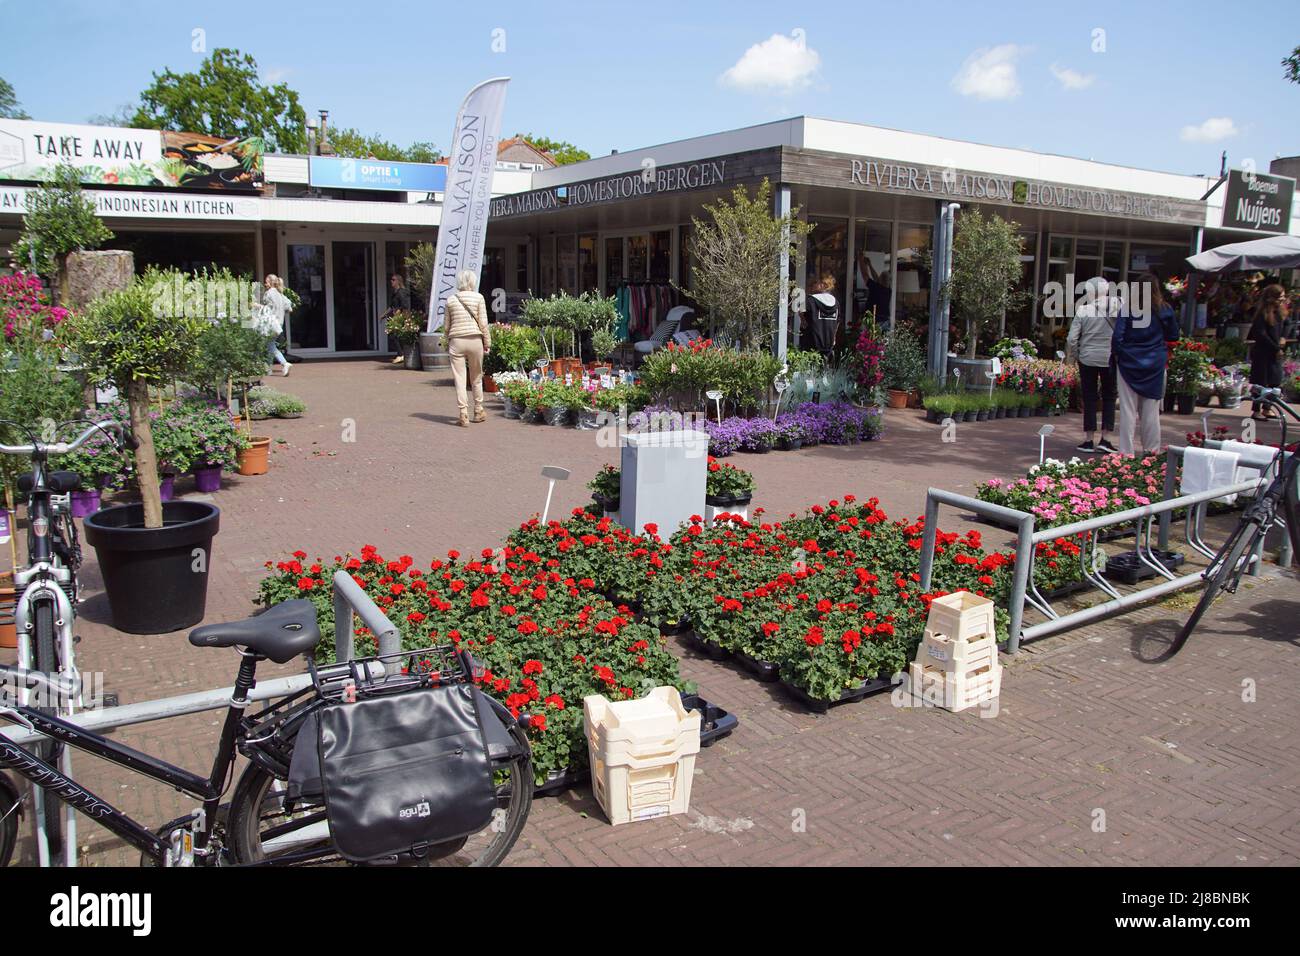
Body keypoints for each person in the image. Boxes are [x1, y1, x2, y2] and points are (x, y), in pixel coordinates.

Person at [1112, 272, 1180, 456]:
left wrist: (1120, 355)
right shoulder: (1164, 309)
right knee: (1151, 411)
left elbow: (1117, 337)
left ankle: (1126, 452)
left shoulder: (1128, 309)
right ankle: (1151, 450)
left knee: (1127, 409)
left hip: (1129, 361)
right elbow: (1174, 335)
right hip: (1155, 363)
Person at [1066, 276, 1117, 453]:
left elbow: (1072, 338)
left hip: (1087, 358)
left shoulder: (1083, 310)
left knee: (1089, 397)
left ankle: (1088, 439)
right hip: (1110, 357)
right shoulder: (1117, 307)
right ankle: (1106, 438)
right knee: (1110, 396)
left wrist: (1076, 355)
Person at [441, 270, 492, 427]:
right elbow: (483, 323)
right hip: (475, 340)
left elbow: (446, 326)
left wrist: (447, 339)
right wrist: (487, 342)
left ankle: (463, 413)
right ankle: (478, 410)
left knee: (460, 378)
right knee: (476, 377)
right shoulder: (479, 298)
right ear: (473, 282)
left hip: (456, 341)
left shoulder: (451, 300)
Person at [1247, 284, 1288, 420]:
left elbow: (1286, 325)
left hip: (1275, 352)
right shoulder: (1262, 313)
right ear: (1272, 298)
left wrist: (1283, 338)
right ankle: (1256, 410)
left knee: (1274, 380)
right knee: (1260, 382)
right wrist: (1275, 348)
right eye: (1280, 297)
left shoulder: (1280, 312)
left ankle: (1267, 408)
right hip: (1263, 352)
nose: (1282, 300)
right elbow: (1260, 334)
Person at [259, 274, 292, 376]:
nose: (265, 284)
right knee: (270, 344)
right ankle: (268, 369)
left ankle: (284, 363)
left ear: (271, 282)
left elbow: (267, 309)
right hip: (279, 324)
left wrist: (257, 306)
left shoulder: (269, 293)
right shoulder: (280, 294)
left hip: (271, 324)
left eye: (266, 282)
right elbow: (289, 307)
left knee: (270, 345)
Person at [384, 273, 412, 365]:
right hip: (395, 316)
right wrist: (384, 315)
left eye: (393, 280)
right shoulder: (395, 293)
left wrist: (404, 318)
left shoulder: (402, 292)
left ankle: (401, 355)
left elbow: (405, 306)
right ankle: (400, 354)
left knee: (395, 335)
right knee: (394, 335)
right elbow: (392, 306)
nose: (391, 281)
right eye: (391, 279)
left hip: (401, 317)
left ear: (398, 281)